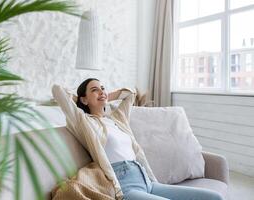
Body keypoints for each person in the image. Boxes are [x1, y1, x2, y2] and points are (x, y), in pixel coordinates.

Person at [52, 78, 224, 200]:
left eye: (102, 88)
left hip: (147, 180)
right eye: (94, 89)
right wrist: (80, 100)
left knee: (214, 197)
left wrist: (104, 95)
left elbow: (130, 94)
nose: (101, 91)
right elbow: (57, 90)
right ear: (83, 98)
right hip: (125, 186)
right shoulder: (85, 122)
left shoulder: (117, 118)